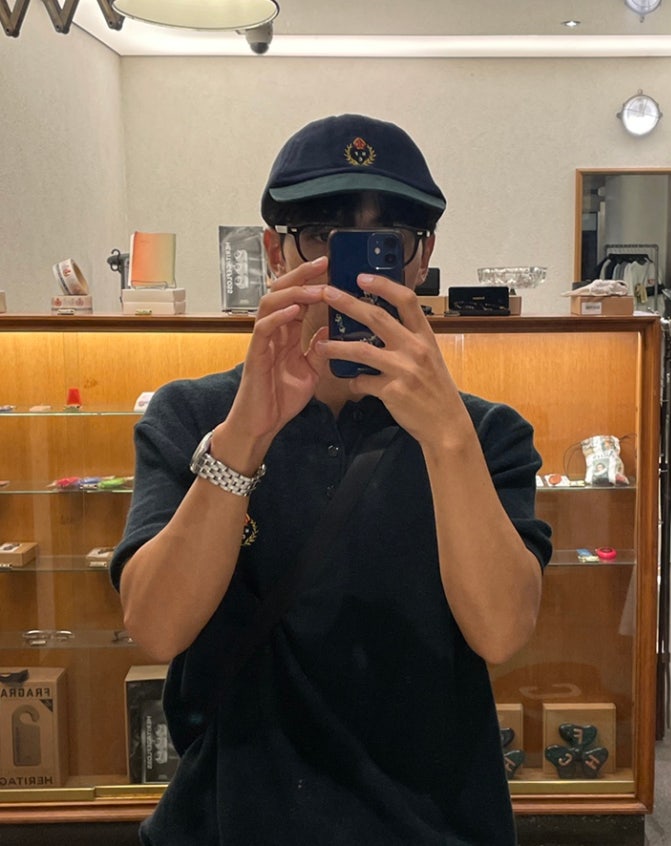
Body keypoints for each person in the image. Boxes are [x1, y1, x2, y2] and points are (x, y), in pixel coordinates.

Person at [111, 113, 552, 846]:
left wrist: (447, 436)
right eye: (321, 234)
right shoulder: (193, 416)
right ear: (273, 251)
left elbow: (501, 631)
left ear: (421, 258)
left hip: (433, 823)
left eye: (387, 241)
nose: (355, 271)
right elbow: (156, 628)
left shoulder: (485, 433)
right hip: (234, 818)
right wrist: (246, 435)